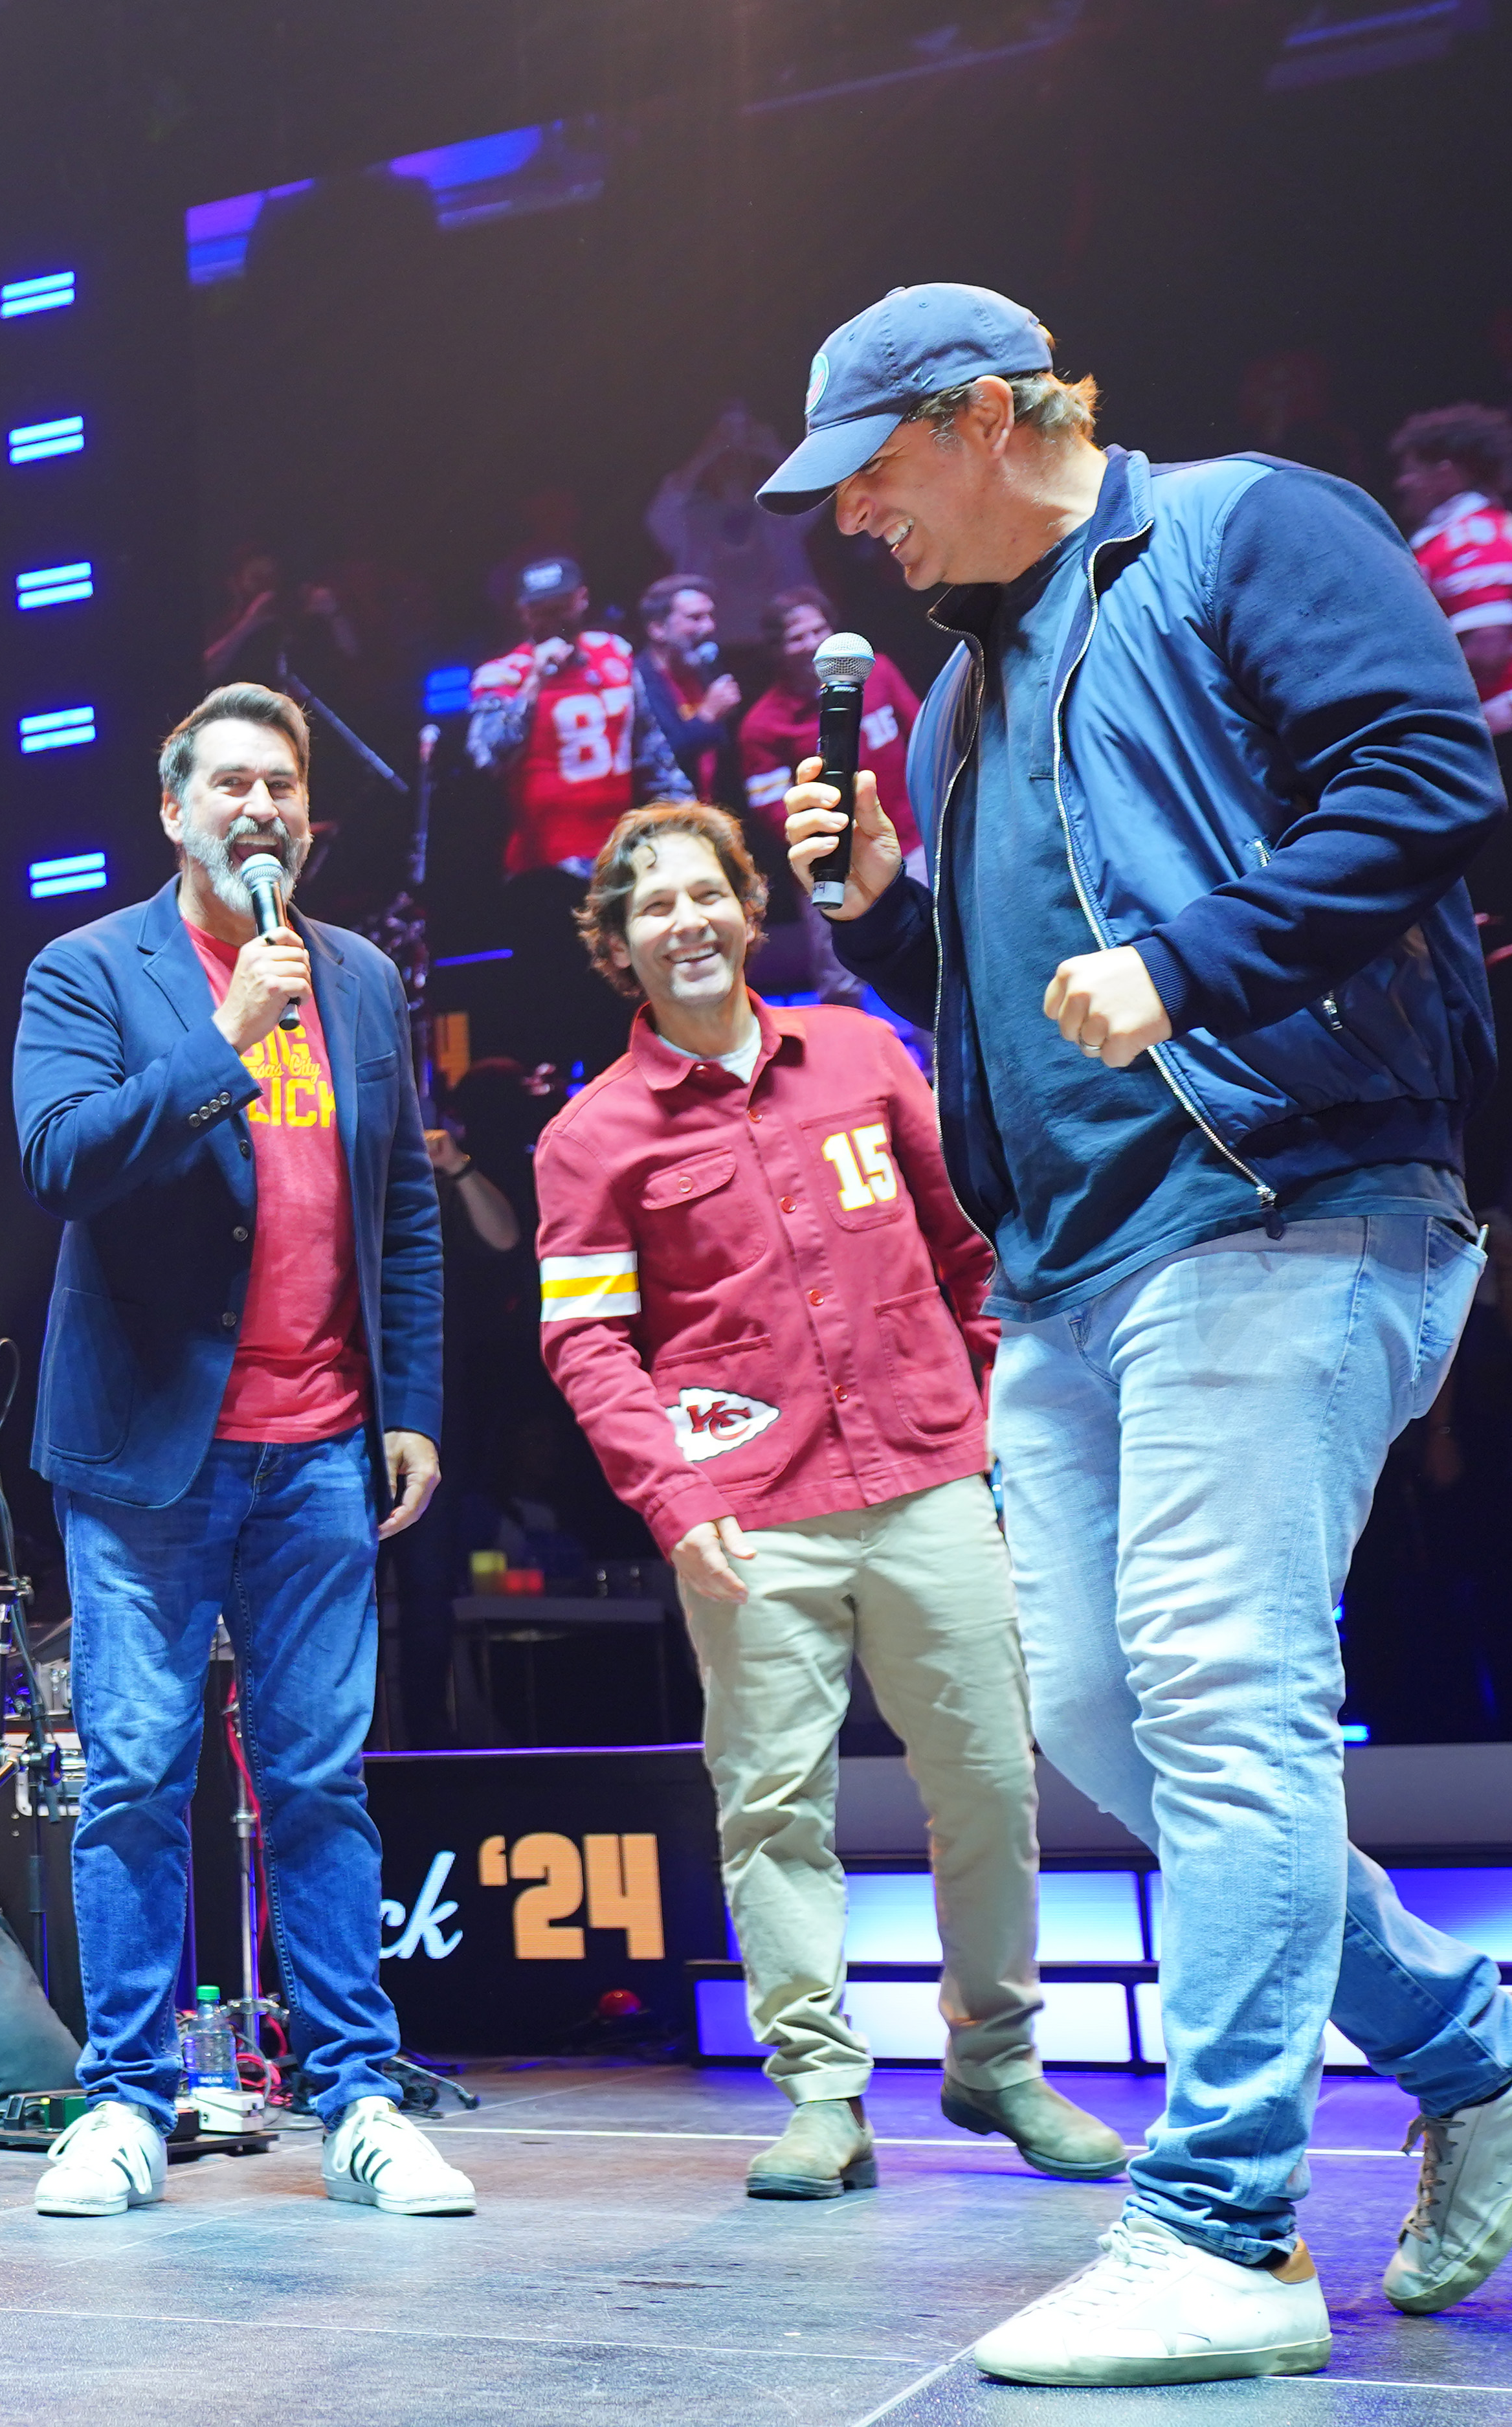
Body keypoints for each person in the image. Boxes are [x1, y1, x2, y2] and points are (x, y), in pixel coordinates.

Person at [773, 281, 1512, 2386]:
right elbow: (1008, 1002)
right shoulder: (946, 704)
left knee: (1216, 1681)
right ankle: (1470, 2043)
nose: (853, 527)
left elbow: (1424, 778)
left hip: (1279, 1202)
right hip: (1072, 1273)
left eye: (876, 474)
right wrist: (887, 917)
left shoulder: (1247, 530)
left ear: (988, 413)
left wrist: (1197, 962)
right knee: (1100, 1719)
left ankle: (1223, 2218)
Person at [531, 802, 1120, 2201]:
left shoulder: (863, 1053)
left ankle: (1000, 2058)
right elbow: (589, 1342)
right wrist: (673, 1499)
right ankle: (818, 2091)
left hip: (927, 1471)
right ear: (616, 948)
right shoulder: (589, 1134)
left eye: (704, 893)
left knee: (986, 1778)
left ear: (750, 907)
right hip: (746, 1514)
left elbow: (969, 1244)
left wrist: (992, 1407)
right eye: (649, 907)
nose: (684, 921)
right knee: (772, 1804)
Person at [12, 681, 465, 2223]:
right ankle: (125, 2101)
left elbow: (401, 1204)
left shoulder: (357, 979)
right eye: (229, 785)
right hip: (151, 1454)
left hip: (323, 1447)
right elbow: (61, 1159)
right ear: (172, 809)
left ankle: (357, 2094)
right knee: (136, 1778)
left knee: (321, 1781)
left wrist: (410, 1405)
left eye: (282, 787)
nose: (259, 807)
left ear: (308, 821)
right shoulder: (89, 967)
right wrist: (222, 1037)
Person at [467, 555, 689, 881]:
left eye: (561, 605)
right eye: (540, 609)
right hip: (545, 863)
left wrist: (687, 817)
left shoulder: (614, 653)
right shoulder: (501, 676)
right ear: (523, 612)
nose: (553, 618)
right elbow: (490, 756)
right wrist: (534, 684)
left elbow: (651, 748)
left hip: (621, 851)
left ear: (582, 599)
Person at [738, 587, 924, 871]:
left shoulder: (877, 671)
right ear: (777, 650)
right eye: (797, 638)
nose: (813, 643)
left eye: (819, 630)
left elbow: (924, 739)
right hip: (838, 863)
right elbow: (773, 808)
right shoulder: (762, 725)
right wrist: (824, 843)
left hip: (915, 841)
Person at [1389, 403, 1512, 747]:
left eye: (1410, 470)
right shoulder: (1478, 531)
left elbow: (1488, 647)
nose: (1402, 483)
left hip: (1498, 734)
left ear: (1445, 474)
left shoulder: (1471, 538)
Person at [645, 402, 818, 640]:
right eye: (725, 461)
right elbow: (662, 510)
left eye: (743, 461)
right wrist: (708, 451)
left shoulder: (778, 508)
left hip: (781, 641)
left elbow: (816, 492)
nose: (734, 468)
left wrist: (771, 449)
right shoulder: (690, 516)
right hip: (712, 641)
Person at [633, 574, 743, 810]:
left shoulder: (705, 672)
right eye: (695, 618)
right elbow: (657, 760)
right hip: (667, 817)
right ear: (657, 629)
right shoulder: (638, 683)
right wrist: (707, 716)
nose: (709, 626)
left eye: (710, 616)